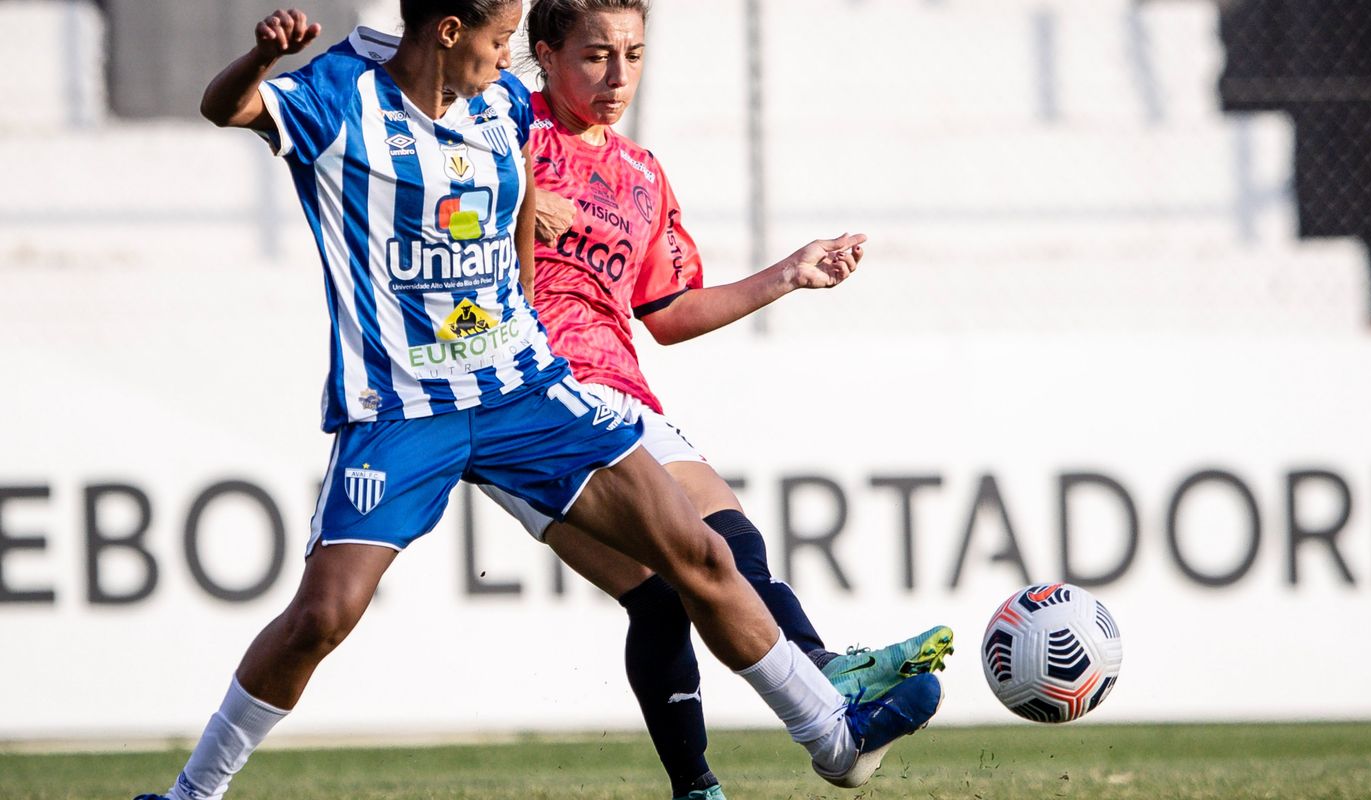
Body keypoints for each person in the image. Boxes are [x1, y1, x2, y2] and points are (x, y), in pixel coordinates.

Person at [133, 3, 940, 799]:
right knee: (324, 615)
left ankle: (833, 734)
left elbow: (540, 197)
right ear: (451, 33)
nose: (511, 56)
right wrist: (263, 56)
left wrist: (523, 274)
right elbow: (227, 107)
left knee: (698, 553)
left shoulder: (501, 106)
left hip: (525, 390)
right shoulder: (343, 97)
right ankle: (191, 795)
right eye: (500, 39)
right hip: (404, 407)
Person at [470, 2, 957, 798]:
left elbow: (668, 313)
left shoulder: (640, 174)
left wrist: (789, 274)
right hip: (525, 398)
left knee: (726, 541)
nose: (617, 75)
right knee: (661, 587)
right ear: (546, 52)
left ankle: (822, 669)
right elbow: (437, 170)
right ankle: (719, 769)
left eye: (632, 53)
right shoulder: (501, 126)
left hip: (621, 392)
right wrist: (519, 194)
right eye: (595, 56)